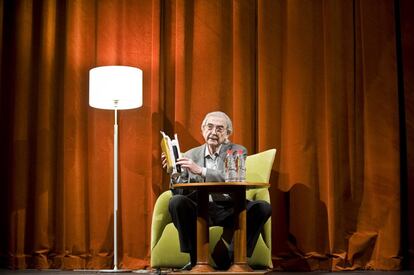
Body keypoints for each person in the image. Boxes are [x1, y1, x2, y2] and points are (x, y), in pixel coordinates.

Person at [161, 111, 271, 270]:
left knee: (262, 207)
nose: (213, 132)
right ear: (202, 129)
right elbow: (182, 192)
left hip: (229, 208)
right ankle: (196, 260)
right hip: (200, 209)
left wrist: (200, 170)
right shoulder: (191, 154)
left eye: (220, 129)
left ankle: (234, 258)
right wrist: (174, 173)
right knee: (177, 202)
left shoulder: (237, 150)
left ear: (228, 133)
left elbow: (229, 178)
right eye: (210, 127)